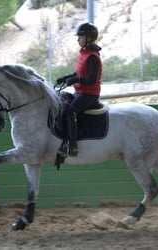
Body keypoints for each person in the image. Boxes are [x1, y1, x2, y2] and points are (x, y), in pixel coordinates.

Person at [56, 22, 102, 157]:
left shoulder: (92, 56)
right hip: (80, 92)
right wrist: (66, 78)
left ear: (89, 38)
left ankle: (73, 145)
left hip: (90, 94)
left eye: (80, 37)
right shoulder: (84, 53)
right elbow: (79, 73)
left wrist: (75, 80)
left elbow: (92, 80)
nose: (78, 39)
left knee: (70, 112)